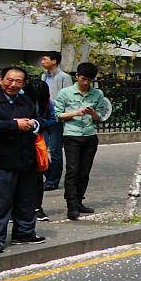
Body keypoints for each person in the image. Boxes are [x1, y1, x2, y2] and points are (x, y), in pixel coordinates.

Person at [0, 66, 45, 251]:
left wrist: (35, 124)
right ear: (1, 79)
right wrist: (14, 125)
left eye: (18, 81)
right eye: (9, 80)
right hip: (1, 159)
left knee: (26, 199)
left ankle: (24, 233)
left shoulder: (26, 100)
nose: (13, 85)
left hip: (26, 158)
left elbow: (39, 119)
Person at [53, 62, 113, 220]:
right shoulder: (65, 93)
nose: (85, 82)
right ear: (77, 76)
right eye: (83, 79)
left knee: (84, 172)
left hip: (90, 135)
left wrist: (93, 114)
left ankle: (79, 201)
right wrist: (75, 112)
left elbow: (101, 116)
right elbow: (57, 114)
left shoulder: (97, 94)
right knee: (73, 170)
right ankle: (71, 205)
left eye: (89, 80)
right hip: (71, 135)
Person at [37, 51, 71, 193]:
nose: (42, 61)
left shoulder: (64, 77)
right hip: (43, 116)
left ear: (54, 61)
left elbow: (68, 98)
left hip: (56, 117)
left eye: (45, 59)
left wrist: (52, 103)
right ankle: (49, 176)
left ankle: (53, 181)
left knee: (56, 150)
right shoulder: (43, 76)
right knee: (42, 149)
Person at [23, 78, 56, 221]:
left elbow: (52, 119)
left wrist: (38, 123)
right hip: (20, 142)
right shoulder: (20, 101)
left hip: (38, 141)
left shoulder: (48, 104)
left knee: (37, 177)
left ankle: (37, 207)